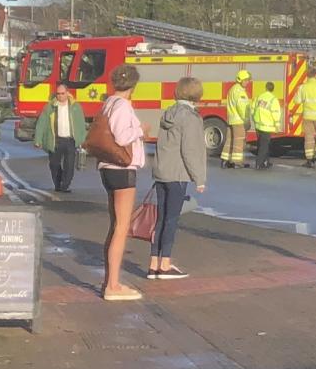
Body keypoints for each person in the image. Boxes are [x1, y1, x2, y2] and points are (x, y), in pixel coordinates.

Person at [146, 76, 209, 281]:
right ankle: (165, 264)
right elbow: (190, 150)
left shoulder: (169, 113)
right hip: (177, 173)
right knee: (172, 219)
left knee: (161, 218)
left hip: (162, 172)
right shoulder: (190, 118)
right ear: (196, 93)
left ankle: (154, 262)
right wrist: (199, 178)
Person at [98, 64, 148, 301]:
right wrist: (140, 129)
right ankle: (113, 286)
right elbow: (121, 136)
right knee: (121, 227)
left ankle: (110, 281)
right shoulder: (123, 106)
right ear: (133, 86)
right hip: (122, 168)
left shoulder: (108, 103)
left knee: (114, 225)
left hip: (108, 167)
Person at [35, 81, 81, 192]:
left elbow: (80, 124)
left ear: (67, 93)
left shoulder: (75, 107)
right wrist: (38, 139)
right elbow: (42, 122)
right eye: (58, 94)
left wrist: (82, 140)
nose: (60, 96)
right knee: (54, 164)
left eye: (62, 93)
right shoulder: (50, 107)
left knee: (69, 166)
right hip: (56, 140)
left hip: (70, 140)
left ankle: (65, 185)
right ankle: (58, 184)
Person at [222, 69, 254, 171]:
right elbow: (242, 107)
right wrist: (246, 119)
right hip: (238, 120)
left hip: (231, 119)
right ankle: (236, 162)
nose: (248, 82)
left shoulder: (232, 89)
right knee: (239, 141)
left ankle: (225, 160)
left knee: (229, 140)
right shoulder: (239, 91)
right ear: (241, 80)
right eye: (246, 80)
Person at [251, 81, 284, 170]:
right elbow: (276, 113)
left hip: (258, 125)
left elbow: (253, 109)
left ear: (265, 87)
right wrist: (277, 125)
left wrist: (254, 118)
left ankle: (266, 162)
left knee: (262, 144)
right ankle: (259, 164)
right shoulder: (273, 99)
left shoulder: (259, 97)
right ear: (273, 89)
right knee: (264, 146)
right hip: (267, 126)